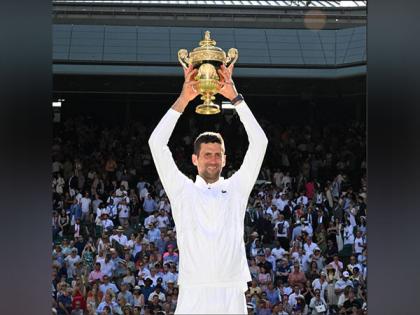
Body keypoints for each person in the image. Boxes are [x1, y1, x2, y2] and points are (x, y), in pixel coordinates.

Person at [148, 63, 268, 314]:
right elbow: (156, 143)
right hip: (194, 289)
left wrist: (236, 98)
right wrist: (183, 100)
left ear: (224, 159)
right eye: (207, 155)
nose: (213, 160)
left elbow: (260, 142)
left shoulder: (237, 189)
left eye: (218, 155)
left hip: (231, 289)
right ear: (195, 159)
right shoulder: (182, 190)